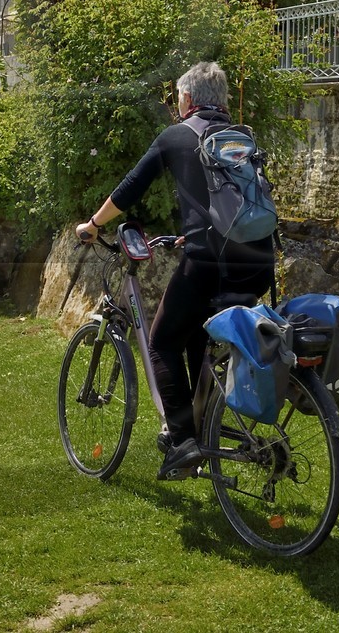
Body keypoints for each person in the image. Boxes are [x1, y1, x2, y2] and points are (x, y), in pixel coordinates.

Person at [76, 61, 276, 480]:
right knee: (196, 336)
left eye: (179, 97)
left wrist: (93, 225)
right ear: (220, 101)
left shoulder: (177, 136)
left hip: (209, 265)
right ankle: (202, 425)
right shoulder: (242, 139)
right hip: (258, 265)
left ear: (187, 99)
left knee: (161, 340)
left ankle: (183, 440)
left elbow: (131, 187)